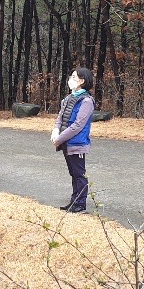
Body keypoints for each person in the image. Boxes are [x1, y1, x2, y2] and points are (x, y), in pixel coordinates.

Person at [52, 68, 95, 213]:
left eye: (74, 77)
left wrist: (59, 138)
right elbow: (60, 117)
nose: (71, 79)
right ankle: (74, 201)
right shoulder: (69, 98)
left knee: (79, 174)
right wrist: (55, 130)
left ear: (82, 81)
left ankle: (80, 204)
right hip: (66, 143)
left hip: (77, 144)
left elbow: (77, 125)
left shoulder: (87, 101)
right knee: (73, 173)